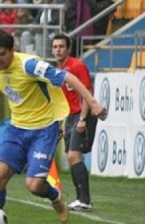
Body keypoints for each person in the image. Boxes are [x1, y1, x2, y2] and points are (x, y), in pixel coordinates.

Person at [0, 30, 106, 224]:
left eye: (2, 54)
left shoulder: (29, 65)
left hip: (44, 129)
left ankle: (56, 198)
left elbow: (68, 77)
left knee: (34, 186)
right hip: (16, 128)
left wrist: (92, 103)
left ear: (13, 50)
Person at [51, 33, 97, 211]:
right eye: (55, 47)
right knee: (72, 158)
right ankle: (81, 199)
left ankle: (85, 200)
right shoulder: (58, 70)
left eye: (61, 46)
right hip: (70, 116)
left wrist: (83, 119)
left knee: (73, 155)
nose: (58, 50)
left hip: (81, 114)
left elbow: (87, 93)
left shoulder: (77, 66)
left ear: (68, 49)